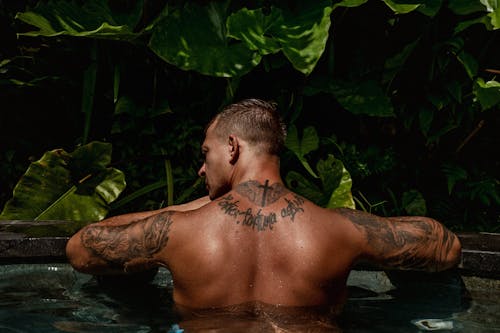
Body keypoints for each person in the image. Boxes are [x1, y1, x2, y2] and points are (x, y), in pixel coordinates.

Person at [65, 98, 461, 329]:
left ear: (232, 147)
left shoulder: (178, 230)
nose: (202, 169)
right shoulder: (338, 229)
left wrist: (188, 208)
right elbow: (444, 247)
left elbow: (81, 249)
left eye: (206, 153)